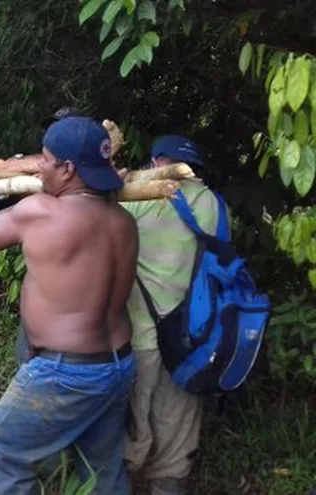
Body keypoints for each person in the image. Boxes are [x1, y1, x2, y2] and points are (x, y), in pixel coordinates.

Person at [0, 116, 139, 494]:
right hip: (118, 364)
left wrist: (35, 193)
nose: (40, 168)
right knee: (102, 468)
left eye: (46, 161)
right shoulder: (124, 220)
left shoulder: (41, 210)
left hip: (66, 372)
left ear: (67, 169)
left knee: (2, 452)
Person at [122, 135, 220, 495]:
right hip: (191, 335)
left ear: (154, 162)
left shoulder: (136, 201)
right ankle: (168, 484)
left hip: (140, 333)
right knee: (176, 420)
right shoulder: (213, 204)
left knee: (133, 414)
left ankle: (125, 477)